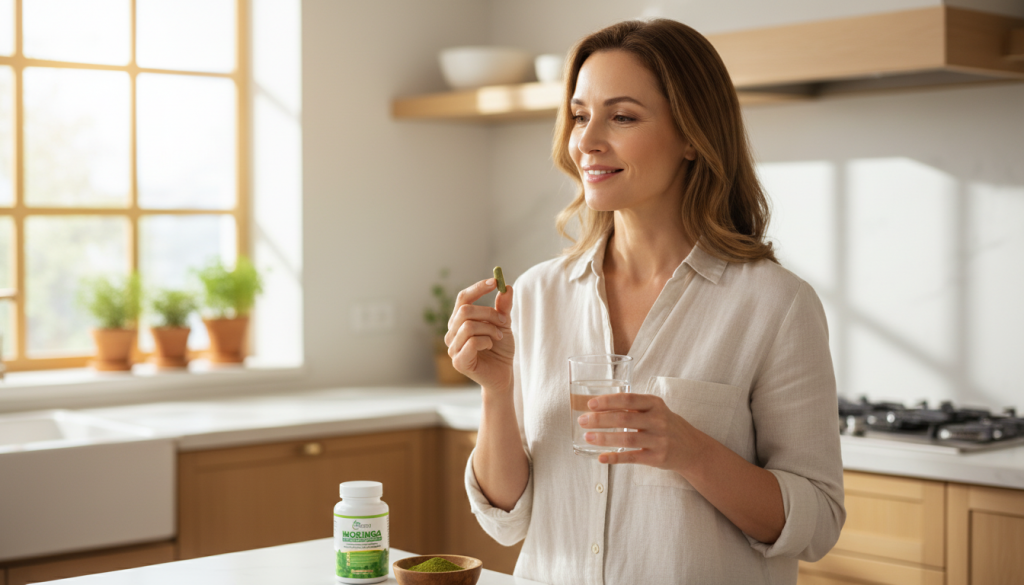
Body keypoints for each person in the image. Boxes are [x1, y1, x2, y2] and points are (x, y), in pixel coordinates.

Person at [444, 19, 845, 585]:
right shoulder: (537, 294)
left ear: (691, 135)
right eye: (580, 115)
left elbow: (819, 523)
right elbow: (508, 520)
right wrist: (496, 389)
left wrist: (690, 451)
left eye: (623, 116)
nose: (586, 140)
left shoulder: (775, 305)